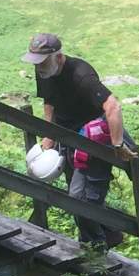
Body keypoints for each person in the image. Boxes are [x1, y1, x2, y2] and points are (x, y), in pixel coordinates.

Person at [22, 34, 130, 248]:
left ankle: (95, 246)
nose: (38, 67)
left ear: (58, 57)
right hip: (68, 138)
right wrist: (49, 135)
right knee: (77, 193)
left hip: (94, 139)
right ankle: (108, 234)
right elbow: (49, 101)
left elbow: (113, 106)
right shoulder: (44, 71)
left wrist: (118, 144)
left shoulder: (81, 74)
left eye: (42, 62)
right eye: (36, 62)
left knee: (82, 197)